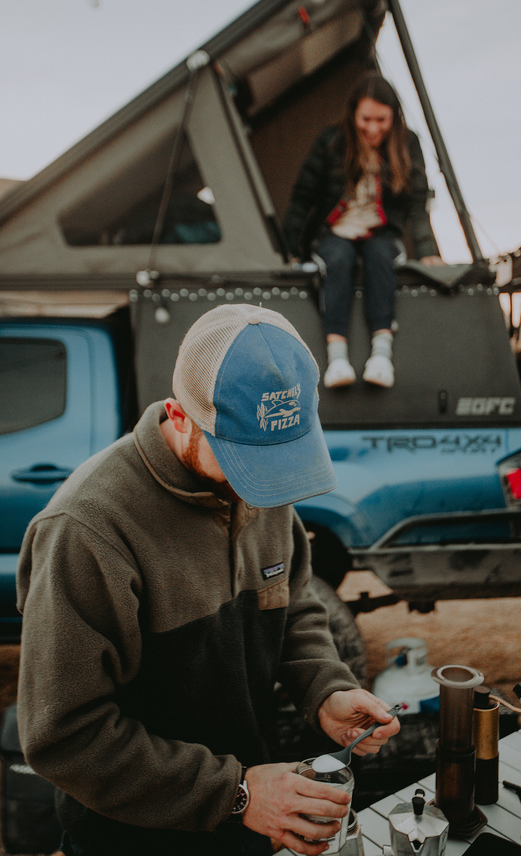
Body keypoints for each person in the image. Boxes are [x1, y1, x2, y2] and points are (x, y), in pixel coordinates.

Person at [16, 303, 400, 856]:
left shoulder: (264, 484)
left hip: (246, 823)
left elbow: (292, 602)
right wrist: (235, 792)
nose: (264, 485)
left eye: (280, 458)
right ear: (179, 416)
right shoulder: (87, 530)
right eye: (245, 460)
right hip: (134, 841)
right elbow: (65, 736)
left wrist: (325, 687)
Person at [284, 72, 442, 389]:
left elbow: (417, 201)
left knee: (381, 257)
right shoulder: (332, 141)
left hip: (381, 232)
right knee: (338, 260)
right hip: (336, 231)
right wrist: (290, 251)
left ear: (394, 116)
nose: (373, 128)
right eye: (366, 119)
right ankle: (337, 359)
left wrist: (428, 250)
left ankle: (381, 356)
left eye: (381, 120)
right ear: (353, 114)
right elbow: (302, 197)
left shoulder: (407, 143)